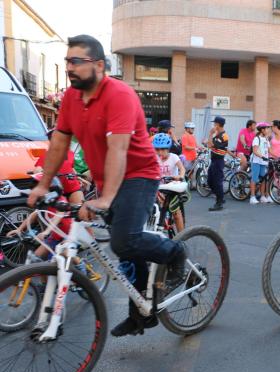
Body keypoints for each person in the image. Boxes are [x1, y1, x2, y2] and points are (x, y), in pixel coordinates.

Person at [27, 34, 187, 337]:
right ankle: (142, 313)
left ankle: (176, 251)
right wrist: (43, 185)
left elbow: (119, 149)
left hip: (139, 174)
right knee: (128, 251)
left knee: (124, 241)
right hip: (106, 179)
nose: (70, 67)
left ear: (99, 65)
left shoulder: (120, 95)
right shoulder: (72, 99)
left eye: (76, 61)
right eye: (67, 61)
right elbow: (59, 142)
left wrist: (105, 199)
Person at [152, 133, 186, 232]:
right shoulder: (154, 158)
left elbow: (182, 169)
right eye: (157, 149)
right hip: (159, 188)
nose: (159, 152)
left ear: (168, 149)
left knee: (176, 213)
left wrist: (180, 176)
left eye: (163, 149)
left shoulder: (174, 157)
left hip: (172, 188)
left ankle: (182, 237)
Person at [207, 116, 228, 211]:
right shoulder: (217, 135)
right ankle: (220, 197)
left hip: (218, 161)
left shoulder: (223, 136)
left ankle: (219, 202)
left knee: (217, 182)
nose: (214, 125)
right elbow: (210, 145)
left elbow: (211, 145)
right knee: (210, 181)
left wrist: (210, 134)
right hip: (214, 160)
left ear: (218, 124)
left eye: (215, 123)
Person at [249, 122, 274, 204]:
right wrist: (262, 156)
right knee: (254, 178)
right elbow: (255, 151)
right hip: (256, 161)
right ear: (262, 130)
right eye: (266, 128)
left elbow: (270, 151)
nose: (268, 130)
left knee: (263, 179)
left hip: (264, 162)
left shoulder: (266, 139)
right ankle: (252, 197)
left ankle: (263, 196)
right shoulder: (257, 139)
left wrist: (277, 157)